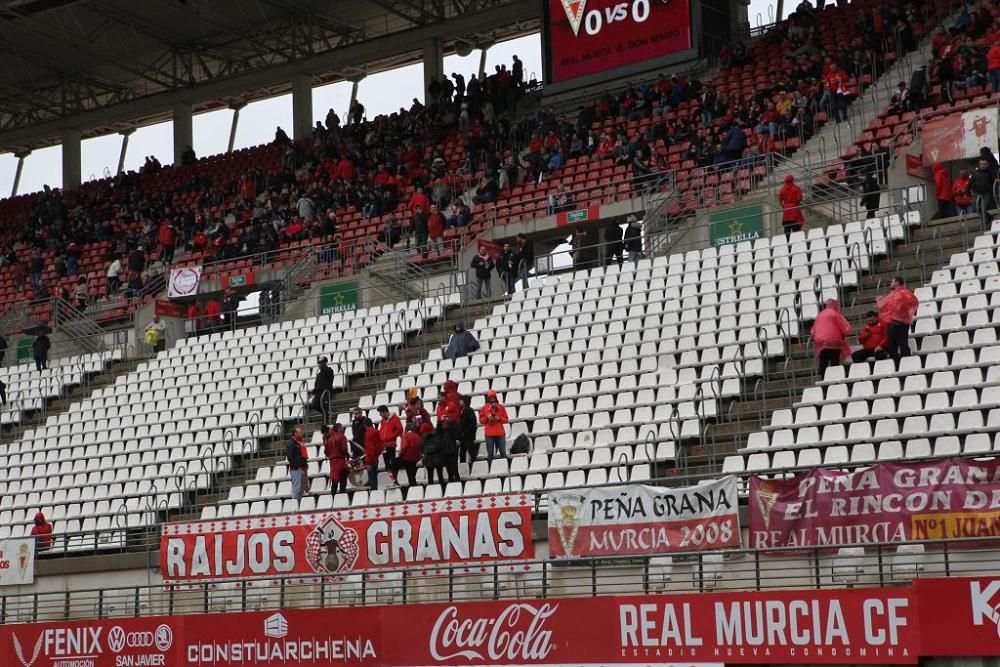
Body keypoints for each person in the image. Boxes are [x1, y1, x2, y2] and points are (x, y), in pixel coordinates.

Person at [878, 276, 919, 361]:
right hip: (897, 323)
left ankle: (904, 364)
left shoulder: (901, 294)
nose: (891, 283)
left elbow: (910, 304)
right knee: (895, 346)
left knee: (900, 346)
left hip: (898, 324)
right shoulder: (900, 293)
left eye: (892, 281)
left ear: (897, 282)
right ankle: (899, 365)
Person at [811, 299, 852, 374]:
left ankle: (823, 379)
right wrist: (843, 337)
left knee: (823, 361)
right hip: (834, 341)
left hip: (821, 342)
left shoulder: (820, 315)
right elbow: (844, 327)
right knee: (834, 361)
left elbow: (813, 330)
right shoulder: (835, 314)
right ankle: (834, 377)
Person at [390, 421, 426, 486]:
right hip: (414, 459)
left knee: (392, 466)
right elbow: (421, 449)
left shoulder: (406, 435)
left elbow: (404, 446)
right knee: (411, 476)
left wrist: (400, 455)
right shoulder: (418, 437)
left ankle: (395, 481)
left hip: (405, 457)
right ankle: (413, 488)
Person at [479, 389, 509, 463]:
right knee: (490, 454)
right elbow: (481, 420)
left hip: (500, 433)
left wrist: (499, 418)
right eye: (490, 397)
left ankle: (505, 467)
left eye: (493, 397)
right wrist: (487, 418)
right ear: (488, 398)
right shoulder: (484, 408)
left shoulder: (501, 407)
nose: (492, 398)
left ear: (496, 397)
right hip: (489, 433)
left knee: (503, 453)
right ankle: (490, 469)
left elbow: (506, 419)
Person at [323, 424, 350, 499]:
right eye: (341, 428)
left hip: (333, 463)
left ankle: (333, 499)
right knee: (342, 482)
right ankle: (342, 500)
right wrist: (347, 455)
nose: (342, 429)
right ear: (338, 429)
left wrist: (331, 456)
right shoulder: (342, 437)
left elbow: (326, 452)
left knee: (334, 483)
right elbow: (344, 449)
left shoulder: (329, 439)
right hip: (341, 462)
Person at [971, 157, 997, 229]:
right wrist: (967, 191)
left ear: (987, 164)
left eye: (984, 164)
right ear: (979, 164)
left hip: (986, 193)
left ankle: (985, 223)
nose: (983, 165)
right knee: (976, 208)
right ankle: (989, 217)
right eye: (981, 164)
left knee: (983, 207)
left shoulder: (990, 172)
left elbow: (995, 178)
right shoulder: (975, 172)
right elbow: (971, 182)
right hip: (977, 192)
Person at [286, 425, 310, 500]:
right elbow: (290, 457)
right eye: (300, 432)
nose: (301, 434)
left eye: (301, 432)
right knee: (297, 488)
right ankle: (294, 507)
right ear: (295, 433)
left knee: (301, 489)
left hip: (302, 468)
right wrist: (297, 466)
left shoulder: (300, 442)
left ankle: (298, 505)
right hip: (296, 469)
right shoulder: (291, 443)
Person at [308, 357, 335, 423]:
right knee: (314, 405)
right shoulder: (319, 375)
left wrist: (324, 366)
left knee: (324, 405)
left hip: (326, 393)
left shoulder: (329, 371)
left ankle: (326, 421)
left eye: (322, 363)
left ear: (325, 363)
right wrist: (313, 392)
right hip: (318, 393)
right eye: (319, 363)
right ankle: (327, 413)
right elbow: (317, 385)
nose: (320, 365)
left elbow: (329, 375)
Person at [377, 404, 402, 470]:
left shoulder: (395, 419)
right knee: (387, 464)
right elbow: (382, 430)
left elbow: (400, 429)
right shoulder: (383, 420)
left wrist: (391, 436)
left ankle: (394, 478)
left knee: (392, 463)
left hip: (391, 444)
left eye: (380, 413)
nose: (380, 415)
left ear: (384, 411)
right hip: (384, 445)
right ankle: (391, 478)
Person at [420, 421, 445, 487]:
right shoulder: (423, 437)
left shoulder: (436, 435)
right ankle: (430, 491)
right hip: (428, 460)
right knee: (430, 478)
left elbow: (438, 446)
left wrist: (427, 450)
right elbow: (421, 447)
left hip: (437, 459)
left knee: (440, 477)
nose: (423, 434)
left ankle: (442, 489)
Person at [362, 418, 383, 490]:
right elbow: (380, 446)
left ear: (365, 425)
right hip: (375, 458)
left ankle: (374, 494)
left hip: (371, 459)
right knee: (374, 478)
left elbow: (369, 449)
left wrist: (368, 462)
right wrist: (376, 455)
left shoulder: (368, 433)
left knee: (372, 479)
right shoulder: (376, 431)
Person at [457, 396, 479, 466]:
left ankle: (474, 466)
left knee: (471, 451)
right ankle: (463, 467)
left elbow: (472, 423)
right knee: (462, 453)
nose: (460, 402)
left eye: (461, 400)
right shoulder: (461, 411)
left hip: (468, 436)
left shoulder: (470, 411)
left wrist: (465, 432)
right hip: (462, 436)